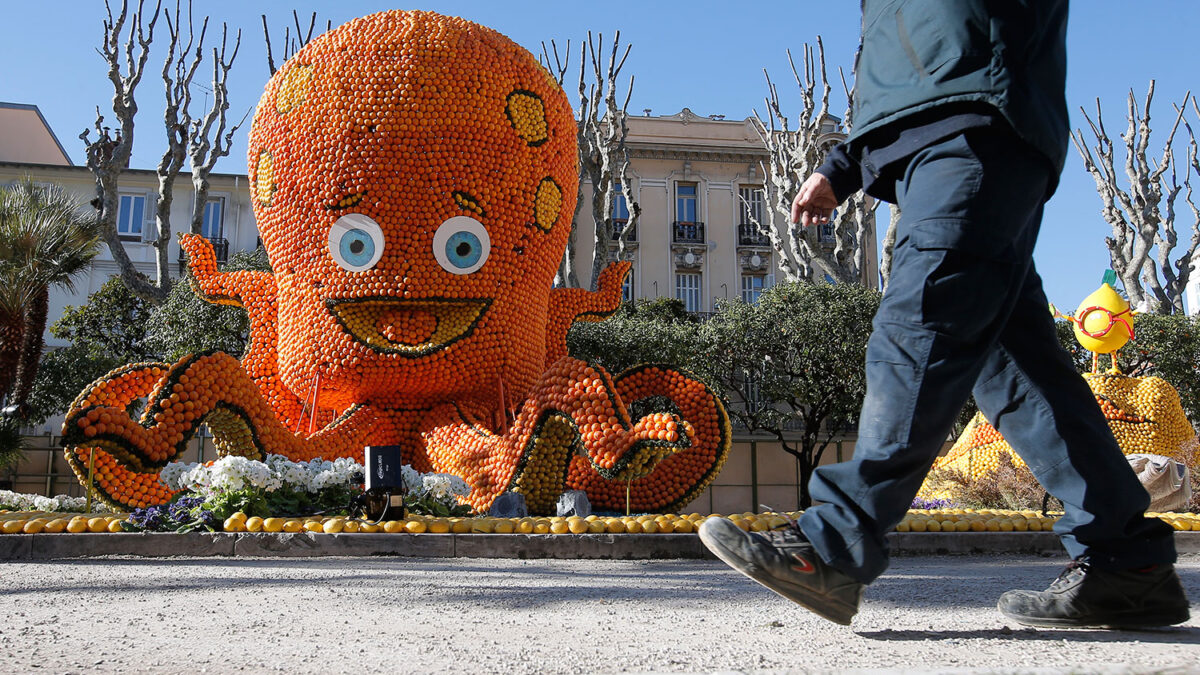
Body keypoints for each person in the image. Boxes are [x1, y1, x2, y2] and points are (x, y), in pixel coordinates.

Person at [699, 0, 1191, 628]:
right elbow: (908, 50)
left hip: (976, 119)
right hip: (938, 136)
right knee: (1020, 373)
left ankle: (832, 545)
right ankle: (1127, 565)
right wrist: (844, 163)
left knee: (919, 327)